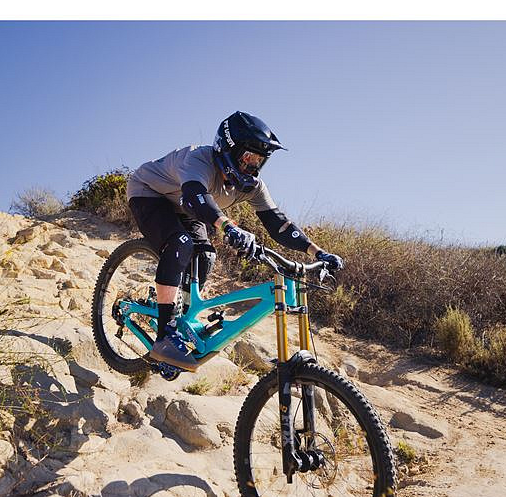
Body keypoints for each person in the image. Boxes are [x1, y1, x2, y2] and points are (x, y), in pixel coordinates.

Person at [125, 111, 344, 370]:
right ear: (229, 148)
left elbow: (278, 223)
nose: (253, 166)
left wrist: (318, 253)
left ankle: (181, 316)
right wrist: (229, 227)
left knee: (205, 255)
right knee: (181, 243)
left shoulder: (253, 187)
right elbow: (196, 197)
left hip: (185, 207)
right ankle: (165, 334)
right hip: (150, 193)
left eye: (260, 161)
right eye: (249, 157)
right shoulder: (198, 159)